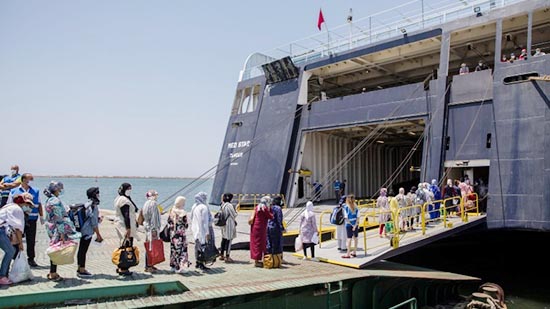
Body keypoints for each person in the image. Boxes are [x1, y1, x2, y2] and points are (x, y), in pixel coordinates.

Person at [44, 181, 81, 281]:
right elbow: (58, 217)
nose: (61, 191)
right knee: (55, 250)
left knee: (54, 248)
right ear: (56, 189)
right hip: (56, 228)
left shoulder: (49, 199)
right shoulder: (55, 201)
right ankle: (53, 273)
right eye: (60, 189)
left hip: (51, 227)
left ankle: (52, 271)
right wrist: (62, 233)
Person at [7, 173, 42, 267]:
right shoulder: (14, 191)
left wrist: (42, 216)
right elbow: (9, 204)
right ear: (23, 180)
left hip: (32, 219)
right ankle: (16, 258)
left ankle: (31, 259)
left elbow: (39, 204)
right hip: (18, 219)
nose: (30, 181)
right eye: (29, 179)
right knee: (16, 239)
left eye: (32, 179)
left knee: (31, 240)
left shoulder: (36, 190)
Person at [0, 193, 29, 285]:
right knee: (10, 251)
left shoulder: (7, 206)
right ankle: (2, 276)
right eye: (26, 205)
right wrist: (20, 243)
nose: (27, 207)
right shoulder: (18, 209)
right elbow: (18, 229)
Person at [113, 183, 138, 276]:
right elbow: (126, 215)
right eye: (128, 188)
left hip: (120, 224)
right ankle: (123, 268)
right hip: (124, 226)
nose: (130, 190)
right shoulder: (124, 200)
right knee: (126, 247)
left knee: (123, 245)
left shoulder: (119, 198)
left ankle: (121, 266)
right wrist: (128, 228)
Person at [76, 187, 102, 278]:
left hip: (82, 229)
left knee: (81, 250)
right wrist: (98, 235)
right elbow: (94, 222)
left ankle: (80, 267)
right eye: (97, 193)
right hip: (87, 231)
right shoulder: (94, 206)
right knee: (83, 250)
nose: (99, 194)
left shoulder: (87, 204)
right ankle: (82, 270)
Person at [168, 196, 190, 273]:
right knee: (182, 250)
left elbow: (168, 221)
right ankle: (181, 267)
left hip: (173, 235)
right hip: (181, 235)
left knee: (173, 250)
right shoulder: (183, 213)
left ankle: (173, 266)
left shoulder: (171, 211)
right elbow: (186, 225)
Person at [191, 192, 213, 271]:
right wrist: (207, 233)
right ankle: (202, 264)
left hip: (195, 229)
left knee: (197, 247)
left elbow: (191, 218)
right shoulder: (204, 207)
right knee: (203, 247)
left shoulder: (194, 206)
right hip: (202, 230)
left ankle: (198, 262)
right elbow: (205, 221)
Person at [249, 196, 273, 267]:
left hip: (254, 228)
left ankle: (256, 260)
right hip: (261, 228)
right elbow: (271, 216)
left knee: (255, 244)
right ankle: (258, 261)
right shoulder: (264, 208)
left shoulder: (257, 207)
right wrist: (271, 209)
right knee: (261, 244)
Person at [142, 190, 162, 273]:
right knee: (150, 247)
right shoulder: (153, 203)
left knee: (149, 246)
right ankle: (148, 266)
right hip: (151, 228)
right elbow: (153, 216)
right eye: (155, 195)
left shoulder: (146, 203)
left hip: (147, 226)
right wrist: (154, 229)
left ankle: (150, 264)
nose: (156, 196)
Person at [220, 193, 238, 263]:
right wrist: (236, 209)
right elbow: (234, 215)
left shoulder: (223, 205)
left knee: (223, 239)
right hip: (229, 224)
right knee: (229, 240)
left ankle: (221, 255)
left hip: (223, 224)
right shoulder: (229, 205)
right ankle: (227, 256)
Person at [266, 196, 284, 262]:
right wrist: (282, 228)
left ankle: (269, 258)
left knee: (269, 242)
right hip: (275, 227)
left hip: (268, 226)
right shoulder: (278, 208)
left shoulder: (271, 207)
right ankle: (276, 259)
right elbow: (279, 219)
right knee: (276, 243)